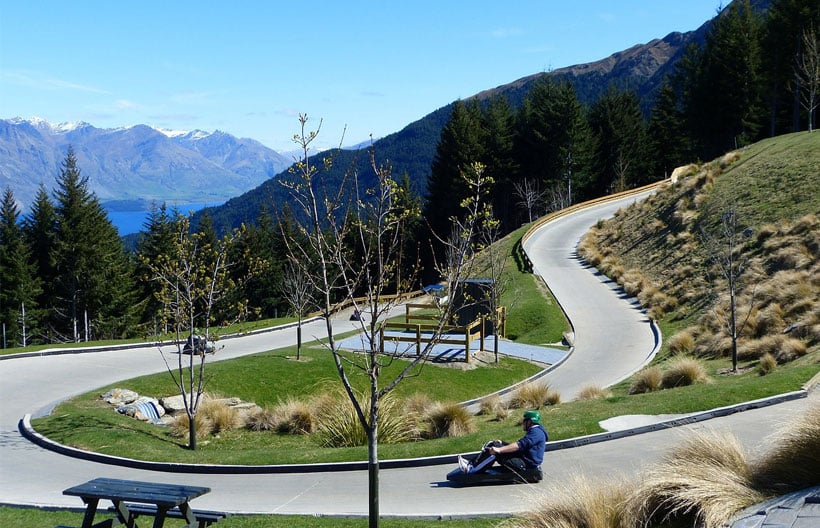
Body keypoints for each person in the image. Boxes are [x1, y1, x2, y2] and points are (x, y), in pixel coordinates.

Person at [458, 410, 547, 482]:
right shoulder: (536, 431)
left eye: (524, 420)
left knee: (495, 452)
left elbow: (518, 446)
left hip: (526, 464)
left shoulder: (536, 433)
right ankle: (472, 463)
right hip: (523, 459)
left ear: (530, 422)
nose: (523, 423)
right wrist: (502, 443)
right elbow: (522, 447)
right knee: (493, 444)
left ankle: (471, 469)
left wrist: (499, 450)